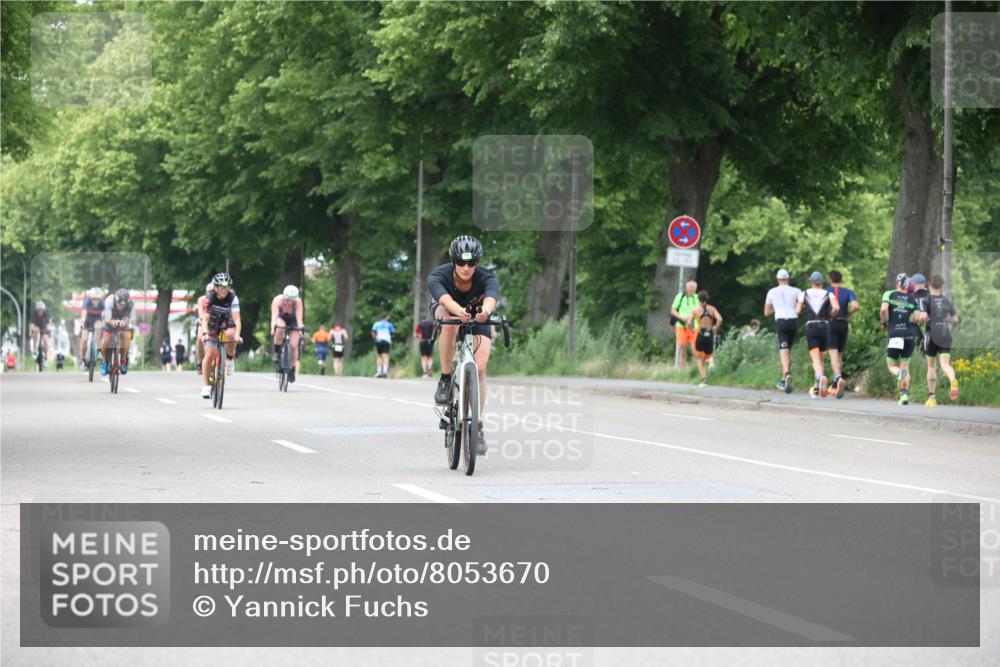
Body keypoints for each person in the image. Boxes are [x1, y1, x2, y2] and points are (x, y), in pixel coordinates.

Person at [428, 235, 499, 455]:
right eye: (461, 262)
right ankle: (445, 378)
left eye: (471, 263)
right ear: (453, 261)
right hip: (449, 309)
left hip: (477, 316)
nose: (466, 268)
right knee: (449, 322)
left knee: (480, 368)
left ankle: (476, 425)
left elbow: (490, 299)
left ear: (477, 262)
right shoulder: (438, 275)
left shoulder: (487, 277)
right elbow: (444, 300)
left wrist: (485, 312)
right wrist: (459, 311)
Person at [880, 273, 921, 406]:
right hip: (909, 335)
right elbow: (917, 318)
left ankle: (899, 374)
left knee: (892, 366)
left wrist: (884, 322)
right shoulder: (913, 299)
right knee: (905, 367)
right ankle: (904, 396)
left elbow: (883, 309)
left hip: (895, 334)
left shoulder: (890, 294)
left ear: (897, 283)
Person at [199, 273, 242, 398]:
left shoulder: (233, 297)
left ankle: (229, 358)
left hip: (225, 320)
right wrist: (205, 333)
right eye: (221, 287)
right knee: (210, 353)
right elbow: (205, 319)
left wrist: (237, 335)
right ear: (215, 288)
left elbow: (237, 319)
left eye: (226, 287)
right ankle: (206, 385)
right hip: (212, 323)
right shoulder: (209, 297)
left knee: (231, 334)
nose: (224, 290)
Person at [798, 271, 839, 399]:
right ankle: (816, 388)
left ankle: (820, 377)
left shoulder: (804, 293)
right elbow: (836, 308)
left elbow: (797, 310)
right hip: (824, 327)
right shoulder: (829, 293)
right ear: (821, 282)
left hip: (811, 327)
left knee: (815, 359)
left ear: (811, 281)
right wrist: (830, 316)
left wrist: (803, 308)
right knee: (821, 357)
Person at [921, 274, 960, 407]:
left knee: (931, 366)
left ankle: (932, 398)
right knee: (945, 364)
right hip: (945, 333)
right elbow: (955, 320)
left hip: (931, 334)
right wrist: (944, 319)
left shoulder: (925, 299)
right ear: (941, 286)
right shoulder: (947, 300)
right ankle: (953, 380)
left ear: (929, 285)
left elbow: (923, 317)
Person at [764, 269, 802, 393]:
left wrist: (777, 308)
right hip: (793, 320)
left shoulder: (771, 292)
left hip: (781, 320)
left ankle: (786, 374)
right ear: (788, 278)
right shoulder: (796, 290)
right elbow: (801, 307)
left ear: (777, 279)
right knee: (788, 349)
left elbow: (766, 312)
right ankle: (783, 379)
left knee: (783, 349)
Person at [825, 270, 859, 399]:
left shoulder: (826, 291)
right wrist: (849, 313)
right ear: (841, 279)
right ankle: (835, 384)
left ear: (830, 279)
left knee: (832, 352)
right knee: (839, 354)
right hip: (844, 323)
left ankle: (838, 378)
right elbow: (856, 305)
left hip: (832, 322)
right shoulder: (848, 291)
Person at [271, 285, 304, 382]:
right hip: (281, 318)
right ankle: (277, 351)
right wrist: (273, 328)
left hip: (293, 320)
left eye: (290, 300)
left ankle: (292, 368)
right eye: (286, 299)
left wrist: (301, 329)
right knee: (279, 329)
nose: (287, 302)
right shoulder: (277, 300)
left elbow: (299, 318)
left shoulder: (298, 302)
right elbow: (274, 316)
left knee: (294, 345)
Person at [691, 290, 722, 387]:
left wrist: (692, 329)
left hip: (701, 333)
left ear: (698, 299)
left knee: (699, 358)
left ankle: (704, 380)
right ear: (707, 298)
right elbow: (720, 319)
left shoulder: (695, 310)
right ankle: (711, 360)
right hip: (710, 333)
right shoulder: (712, 308)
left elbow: (688, 322)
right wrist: (715, 328)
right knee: (708, 354)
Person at [100, 289, 134, 375]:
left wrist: (123, 322)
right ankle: (104, 363)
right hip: (109, 319)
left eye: (123, 304)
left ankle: (123, 361)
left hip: (121, 320)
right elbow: (107, 319)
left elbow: (126, 318)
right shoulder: (109, 301)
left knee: (126, 336)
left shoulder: (130, 303)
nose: (121, 306)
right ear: (116, 299)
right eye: (119, 303)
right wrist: (112, 322)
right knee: (106, 340)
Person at [669, 280, 699, 370]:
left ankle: (697, 369)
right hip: (681, 326)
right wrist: (681, 317)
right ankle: (682, 370)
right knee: (682, 348)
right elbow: (673, 310)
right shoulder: (680, 296)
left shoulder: (697, 297)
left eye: (694, 287)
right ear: (687, 288)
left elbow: (701, 310)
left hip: (694, 326)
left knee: (695, 349)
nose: (692, 289)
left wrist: (691, 317)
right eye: (690, 287)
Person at [78, 287, 105, 368]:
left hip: (97, 319)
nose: (95, 301)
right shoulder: (86, 302)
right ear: (91, 298)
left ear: (100, 299)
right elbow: (83, 314)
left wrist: (104, 321)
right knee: (84, 339)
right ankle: (82, 359)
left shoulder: (102, 304)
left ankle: (99, 351)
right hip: (87, 320)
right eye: (94, 299)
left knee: (98, 330)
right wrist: (82, 321)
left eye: (98, 299)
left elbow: (104, 314)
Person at [194, 282, 213, 374]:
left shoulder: (220, 299)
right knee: (199, 337)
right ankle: (199, 361)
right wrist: (203, 318)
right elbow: (200, 312)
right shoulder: (201, 299)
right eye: (209, 292)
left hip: (216, 321)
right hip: (204, 320)